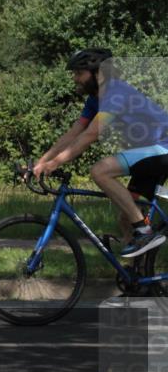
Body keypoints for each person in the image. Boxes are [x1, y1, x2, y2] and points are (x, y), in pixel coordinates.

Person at [33, 48, 168, 257]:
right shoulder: (95, 100)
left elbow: (90, 135)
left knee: (100, 171)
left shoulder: (116, 93)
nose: (75, 78)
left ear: (98, 73)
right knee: (127, 217)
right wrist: (41, 163)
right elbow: (74, 133)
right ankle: (140, 281)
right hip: (149, 154)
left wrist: (55, 164)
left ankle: (145, 231)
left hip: (162, 148)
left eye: (79, 73)